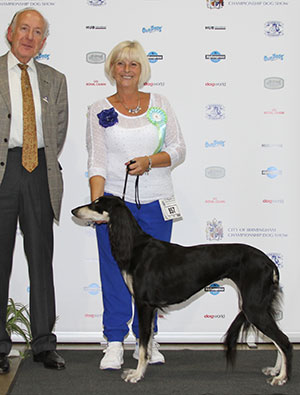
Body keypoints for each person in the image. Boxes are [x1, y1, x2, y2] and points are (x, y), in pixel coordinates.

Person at [86, 40, 186, 370]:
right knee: (114, 273)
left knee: (153, 277)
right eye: (120, 64)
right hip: (117, 207)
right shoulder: (98, 109)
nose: (126, 70)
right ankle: (114, 342)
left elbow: (178, 149)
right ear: (111, 68)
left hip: (158, 202)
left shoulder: (161, 104)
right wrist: (97, 206)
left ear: (143, 69)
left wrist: (150, 161)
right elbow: (97, 162)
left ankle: (148, 339)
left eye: (134, 64)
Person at [0, 8, 68, 373]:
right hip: (3, 173)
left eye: (37, 32)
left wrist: (40, 162)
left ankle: (44, 344)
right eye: (24, 29)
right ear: (10, 32)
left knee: (42, 260)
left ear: (43, 42)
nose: (29, 36)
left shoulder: (56, 80)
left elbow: (57, 131)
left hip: (40, 170)